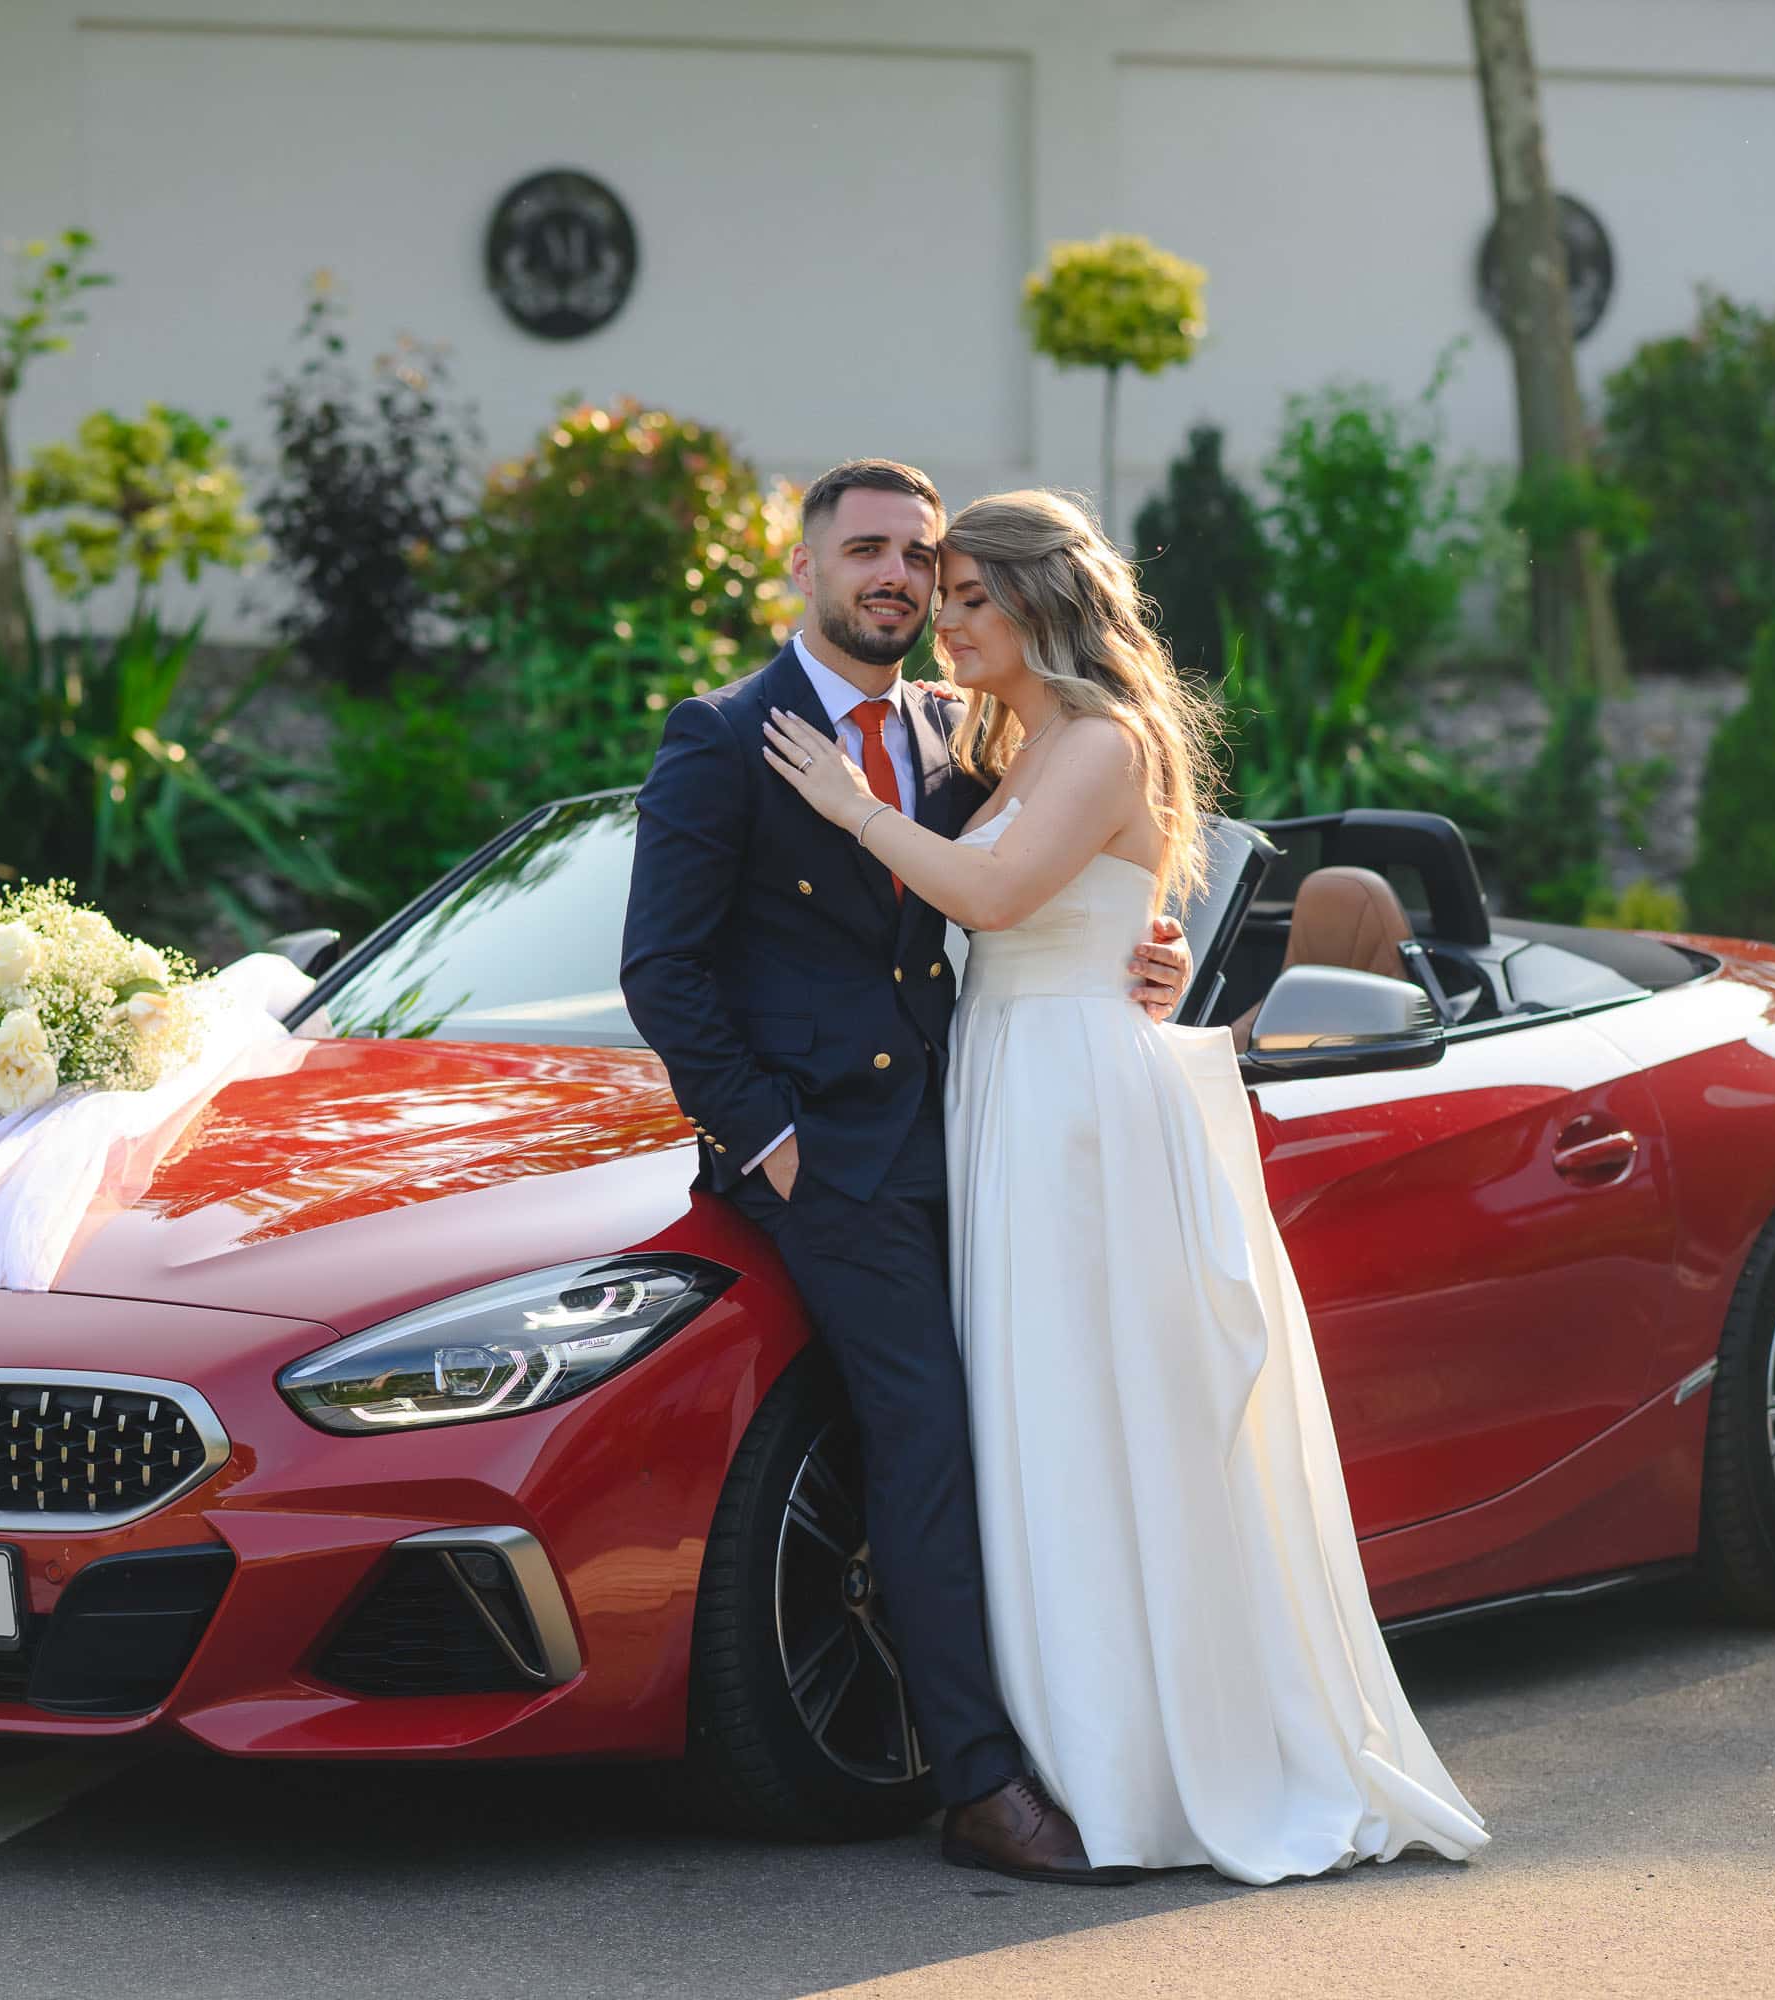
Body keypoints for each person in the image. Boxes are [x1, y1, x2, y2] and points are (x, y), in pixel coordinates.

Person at [755, 487, 1488, 1884]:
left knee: (1096, 1419)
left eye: (973, 597)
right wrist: (1143, 945)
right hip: (1010, 1088)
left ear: (1044, 601)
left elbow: (988, 899)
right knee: (1040, 1423)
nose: (948, 621)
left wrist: (850, 807)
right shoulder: (1010, 745)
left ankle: (1144, 1765)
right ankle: (1074, 1740)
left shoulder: (1102, 740)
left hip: (1075, 1105)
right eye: (944, 597)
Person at [619, 460, 1195, 1885]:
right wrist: (768, 1139)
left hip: (978, 1130)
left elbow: (1038, 881)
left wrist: (1150, 947)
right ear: (804, 567)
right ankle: (981, 1784)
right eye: (867, 549)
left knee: (1023, 1422)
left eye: (921, 558)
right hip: (828, 1163)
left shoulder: (958, 729)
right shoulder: (723, 735)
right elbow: (663, 969)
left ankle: (1072, 1728)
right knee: (930, 1435)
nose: (899, 577)